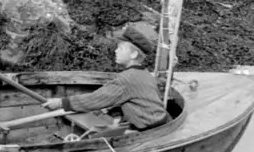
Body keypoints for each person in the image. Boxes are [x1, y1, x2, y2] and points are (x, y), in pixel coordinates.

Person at [42, 24, 170, 130]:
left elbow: (96, 99)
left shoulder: (125, 79)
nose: (115, 51)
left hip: (150, 130)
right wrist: (115, 115)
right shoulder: (144, 73)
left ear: (134, 54)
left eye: (120, 48)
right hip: (162, 122)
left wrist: (61, 102)